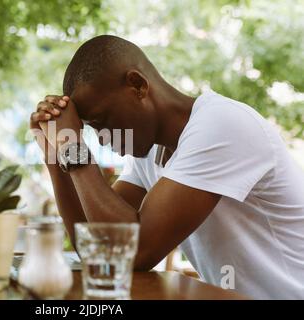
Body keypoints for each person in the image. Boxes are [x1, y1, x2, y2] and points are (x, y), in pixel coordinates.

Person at [29, 35, 304, 299]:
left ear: (137, 85)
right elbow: (100, 247)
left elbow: (136, 252)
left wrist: (75, 152)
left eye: (101, 121)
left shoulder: (221, 124)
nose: (101, 138)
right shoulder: (147, 152)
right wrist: (55, 158)